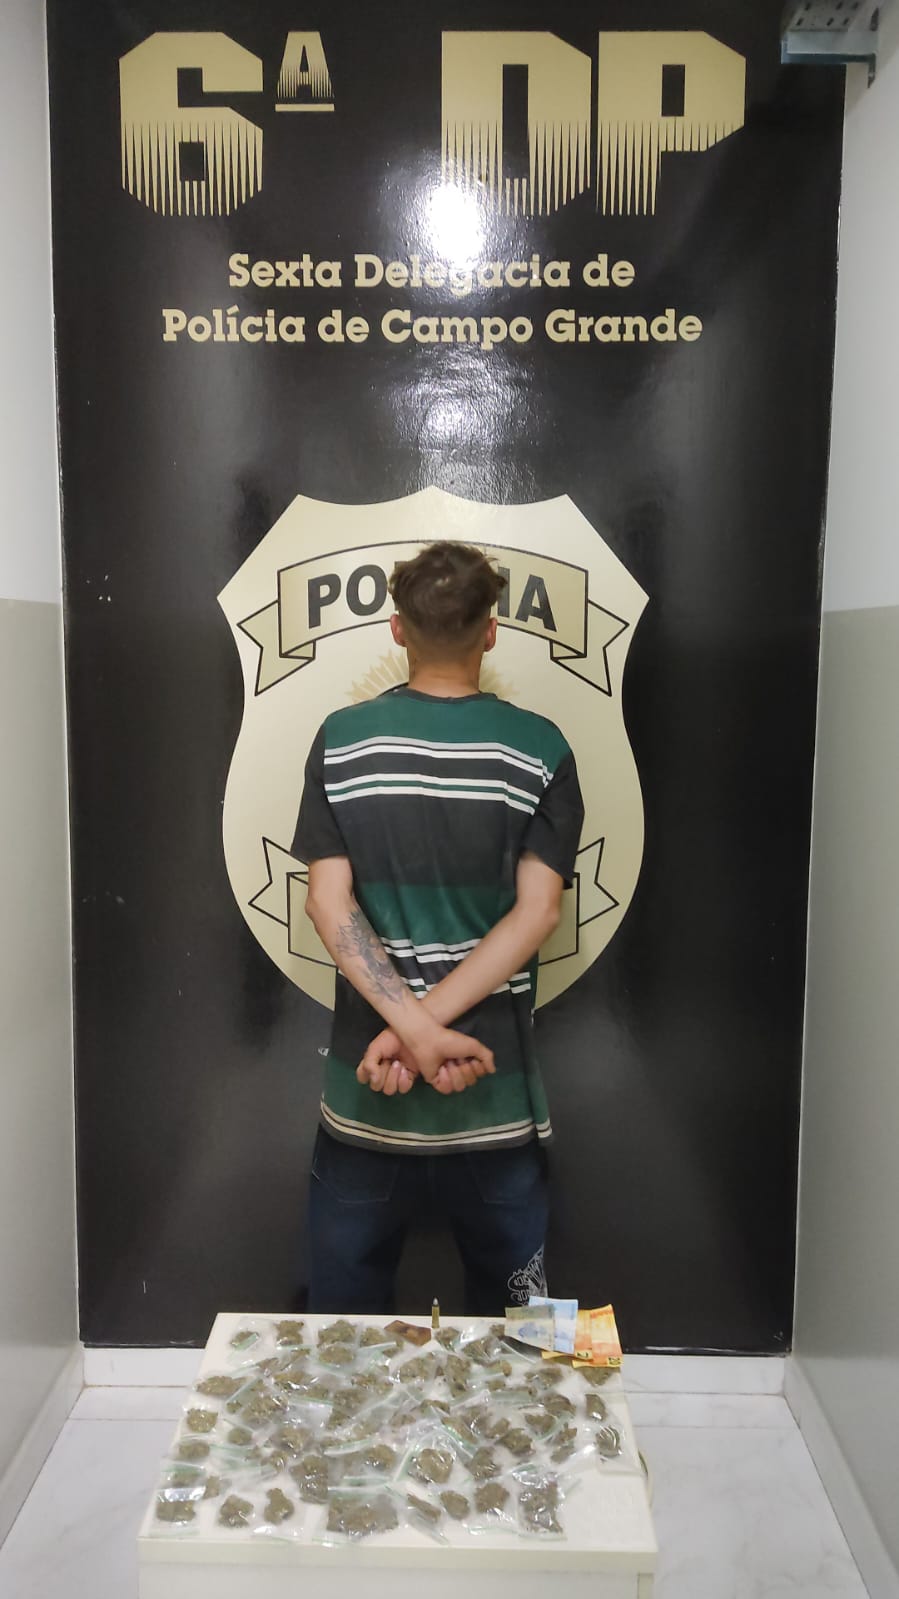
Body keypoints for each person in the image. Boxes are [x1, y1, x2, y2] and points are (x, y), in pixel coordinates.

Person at [292, 540, 584, 1313]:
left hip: (367, 1094)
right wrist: (429, 1032)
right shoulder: (543, 749)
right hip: (494, 1096)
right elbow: (537, 912)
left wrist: (409, 1031)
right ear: (491, 630)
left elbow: (327, 904)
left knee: (342, 1337)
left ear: (397, 629)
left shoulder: (340, 739)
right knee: (518, 1339)